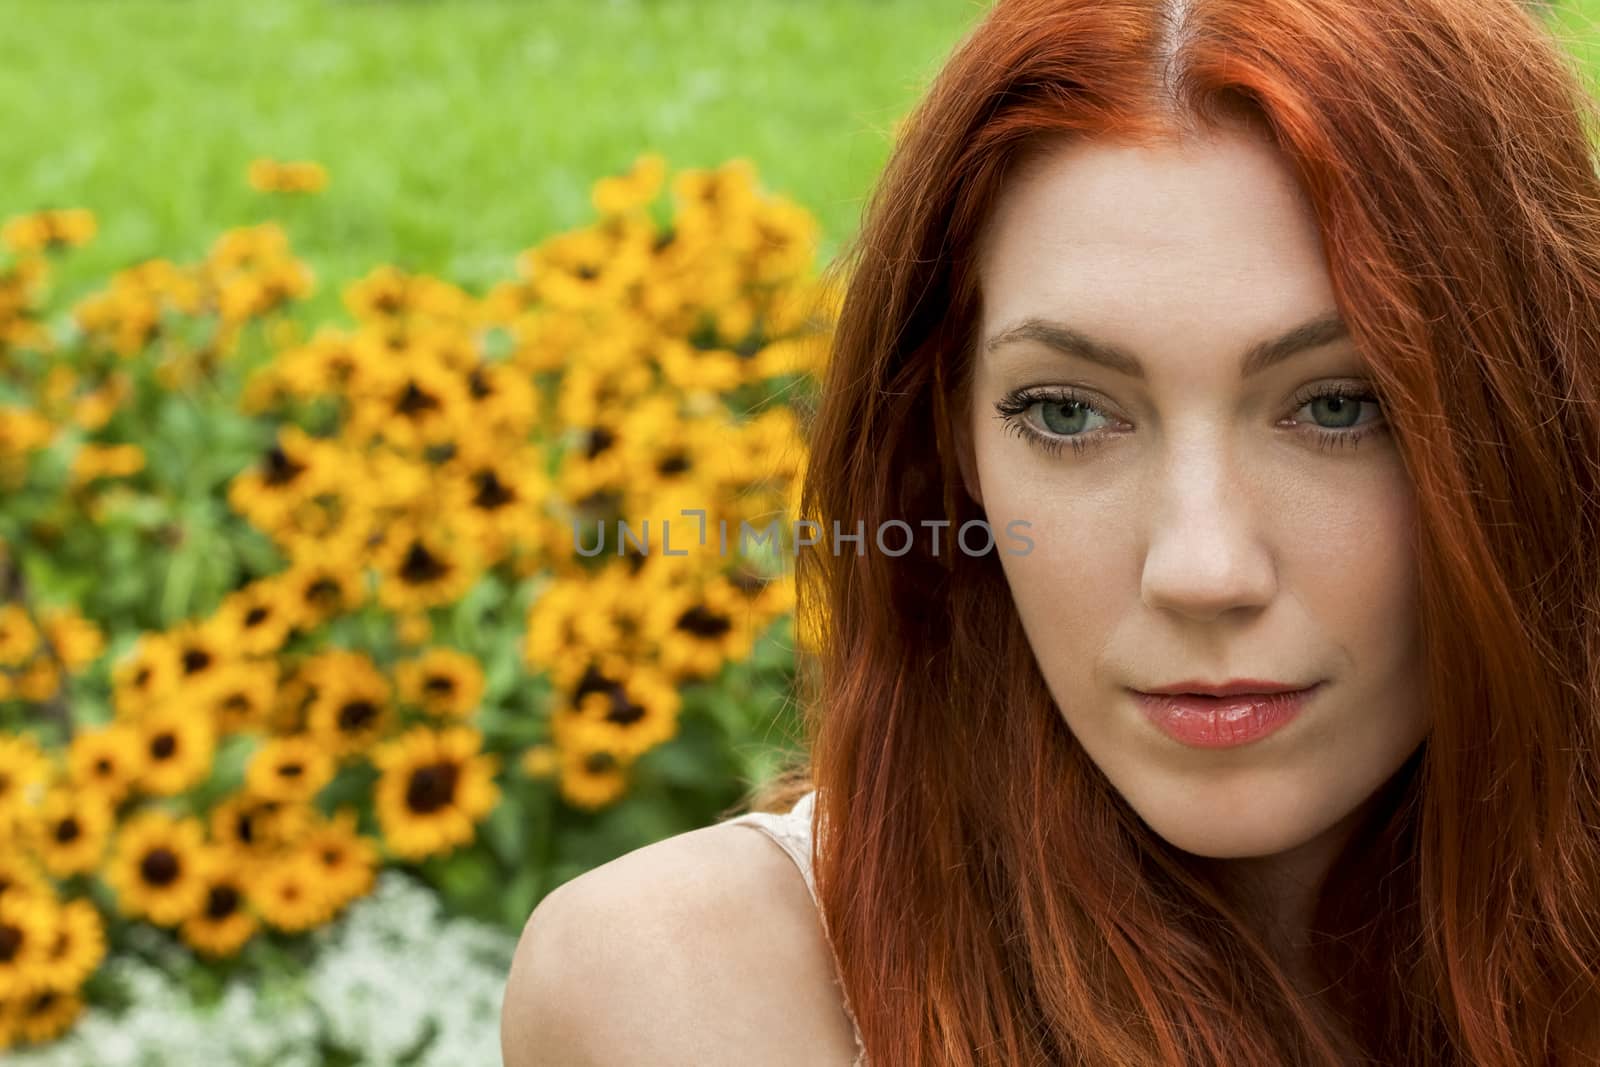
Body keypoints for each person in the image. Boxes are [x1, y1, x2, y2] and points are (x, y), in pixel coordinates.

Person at [501, 0, 1600, 1062]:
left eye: (1338, 405)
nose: (1202, 567)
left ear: (1541, 419)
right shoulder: (704, 992)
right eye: (1067, 412)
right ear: (952, 446)